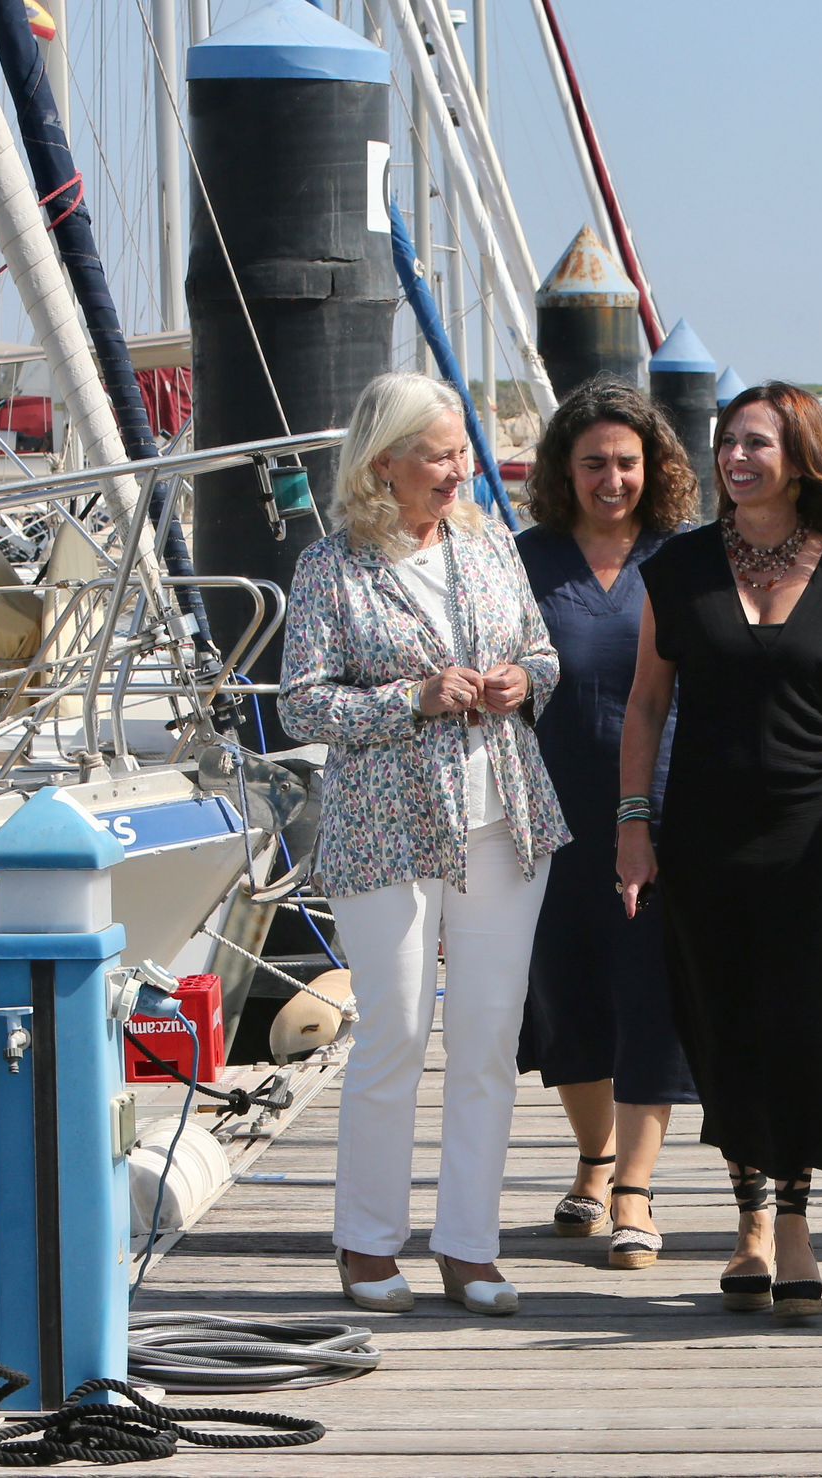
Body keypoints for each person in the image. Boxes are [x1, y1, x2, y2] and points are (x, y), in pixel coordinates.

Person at [279, 371, 568, 1317]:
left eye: (459, 452)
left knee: (486, 1039)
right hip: (385, 825)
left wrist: (523, 680)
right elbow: (301, 704)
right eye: (439, 454)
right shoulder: (331, 567)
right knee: (395, 1034)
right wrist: (412, 698)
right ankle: (367, 1243)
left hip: (502, 816)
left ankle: (469, 1247)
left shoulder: (489, 547)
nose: (458, 470)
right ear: (384, 462)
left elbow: (542, 652)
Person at [616, 380, 822, 1320]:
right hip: (703, 834)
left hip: (812, 834)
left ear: (798, 456)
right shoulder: (680, 569)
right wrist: (633, 827)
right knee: (724, 1026)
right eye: (727, 442)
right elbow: (648, 704)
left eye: (757, 444)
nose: (736, 458)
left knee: (805, 1029)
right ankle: (751, 1221)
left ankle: (801, 1219)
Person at [515, 378, 699, 1271]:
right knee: (565, 994)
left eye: (628, 462)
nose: (612, 479)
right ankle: (593, 1162)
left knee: (649, 996)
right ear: (565, 470)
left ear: (653, 466)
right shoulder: (521, 559)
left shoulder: (685, 557)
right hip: (545, 814)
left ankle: (636, 1187)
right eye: (594, 463)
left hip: (663, 810)